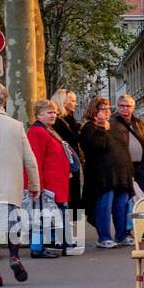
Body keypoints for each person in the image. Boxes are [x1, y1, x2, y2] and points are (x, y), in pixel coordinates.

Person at [0, 81, 40, 286]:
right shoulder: (16, 125)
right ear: (4, 100)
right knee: (11, 226)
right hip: (10, 185)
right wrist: (34, 185)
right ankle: (14, 256)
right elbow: (29, 158)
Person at [80, 96, 134, 248]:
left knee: (121, 206)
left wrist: (129, 170)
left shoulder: (114, 126)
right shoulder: (89, 128)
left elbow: (123, 148)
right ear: (94, 111)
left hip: (121, 174)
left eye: (108, 108)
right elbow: (97, 146)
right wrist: (101, 127)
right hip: (103, 176)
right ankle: (104, 237)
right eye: (103, 109)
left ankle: (122, 235)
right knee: (104, 205)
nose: (107, 112)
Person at [27, 99, 73, 257]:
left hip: (55, 182)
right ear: (39, 114)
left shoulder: (47, 129)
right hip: (48, 184)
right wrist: (36, 184)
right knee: (41, 215)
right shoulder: (37, 132)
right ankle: (38, 248)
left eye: (54, 112)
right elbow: (35, 160)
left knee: (48, 215)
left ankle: (54, 244)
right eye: (49, 112)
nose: (54, 115)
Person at [50, 89, 84, 223]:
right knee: (68, 198)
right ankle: (70, 235)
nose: (75, 104)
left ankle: (73, 234)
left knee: (73, 197)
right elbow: (71, 140)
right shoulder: (60, 122)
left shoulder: (69, 120)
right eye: (73, 100)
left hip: (70, 163)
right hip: (66, 165)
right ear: (63, 101)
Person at [112, 93, 144, 200]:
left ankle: (140, 216)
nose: (125, 108)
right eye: (122, 106)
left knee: (142, 198)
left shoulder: (138, 123)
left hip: (139, 166)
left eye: (128, 106)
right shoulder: (111, 123)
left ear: (133, 108)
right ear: (118, 106)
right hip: (122, 167)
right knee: (125, 199)